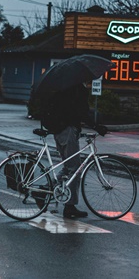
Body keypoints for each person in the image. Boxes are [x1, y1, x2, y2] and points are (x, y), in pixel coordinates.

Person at [41, 83, 92, 219]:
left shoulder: (63, 88)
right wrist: (97, 126)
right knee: (75, 168)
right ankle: (70, 206)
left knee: (68, 167)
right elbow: (82, 112)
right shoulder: (77, 89)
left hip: (59, 131)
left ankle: (44, 190)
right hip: (67, 132)